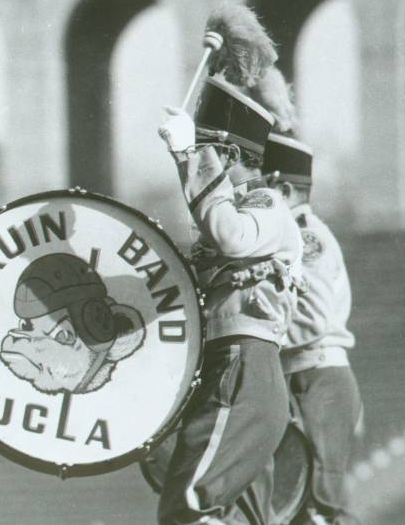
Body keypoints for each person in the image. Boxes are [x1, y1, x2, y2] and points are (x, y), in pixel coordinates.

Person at [157, 75, 303, 525]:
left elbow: (232, 237)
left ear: (232, 155)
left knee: (189, 506)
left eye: (213, 149)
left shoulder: (265, 205)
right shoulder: (225, 211)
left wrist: (192, 156)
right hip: (228, 371)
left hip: (243, 368)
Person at [261, 131, 362, 525]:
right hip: (303, 375)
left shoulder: (308, 240)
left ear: (283, 190)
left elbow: (312, 318)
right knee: (296, 502)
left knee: (321, 500)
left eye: (263, 192)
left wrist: (262, 340)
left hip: (317, 375)